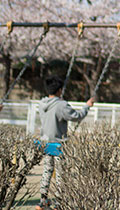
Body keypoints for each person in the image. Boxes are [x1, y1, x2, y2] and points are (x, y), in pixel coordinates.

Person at [36, 76, 94, 209]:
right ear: (60, 90)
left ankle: (43, 200)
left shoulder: (42, 103)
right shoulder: (61, 105)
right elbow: (76, 116)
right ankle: (58, 202)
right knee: (61, 174)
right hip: (59, 143)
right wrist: (87, 106)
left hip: (45, 142)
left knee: (47, 171)